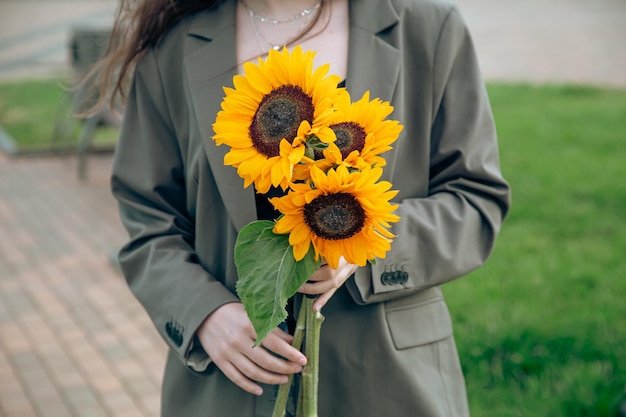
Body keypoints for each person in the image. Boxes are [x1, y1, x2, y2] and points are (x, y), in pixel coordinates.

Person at [98, 0, 511, 416]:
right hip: (231, 389)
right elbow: (148, 218)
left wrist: (360, 242)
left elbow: (475, 200)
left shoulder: (428, 29)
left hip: (387, 383)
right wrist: (204, 313)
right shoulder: (173, 48)